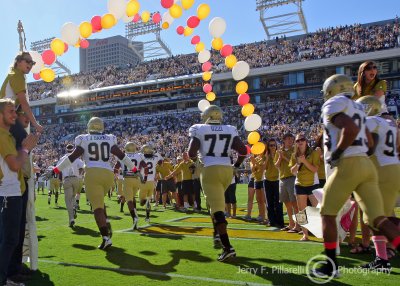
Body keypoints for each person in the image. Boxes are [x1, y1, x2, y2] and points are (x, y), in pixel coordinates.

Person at [312, 74, 400, 278]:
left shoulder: (333, 104)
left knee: (327, 213)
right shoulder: (359, 107)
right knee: (379, 219)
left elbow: (349, 129)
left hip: (349, 163)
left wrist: (337, 153)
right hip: (367, 165)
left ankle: (330, 266)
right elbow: (369, 142)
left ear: (330, 89)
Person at [54, 117, 136, 250]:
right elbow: (122, 156)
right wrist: (134, 168)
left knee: (96, 208)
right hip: (108, 174)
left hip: (92, 173)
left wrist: (57, 169)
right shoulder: (109, 138)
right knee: (100, 201)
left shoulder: (83, 138)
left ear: (89, 126)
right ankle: (106, 221)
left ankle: (105, 238)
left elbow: (72, 157)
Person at [188, 105, 247, 262]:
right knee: (215, 203)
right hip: (227, 169)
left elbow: (191, 153)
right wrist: (236, 166)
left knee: (217, 208)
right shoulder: (229, 128)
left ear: (206, 115)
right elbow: (243, 150)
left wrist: (197, 162)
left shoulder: (199, 129)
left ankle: (227, 247)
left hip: (209, 169)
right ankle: (216, 234)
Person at [357, 95, 400, 270]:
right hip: (392, 168)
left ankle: (382, 258)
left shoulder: (370, 122)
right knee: (379, 217)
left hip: (381, 171)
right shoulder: (388, 123)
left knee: (374, 217)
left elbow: (370, 146)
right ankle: (381, 259)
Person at [0, 98, 38, 286]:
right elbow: (14, 165)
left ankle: (8, 275)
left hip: (12, 191)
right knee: (8, 240)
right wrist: (25, 148)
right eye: (11, 112)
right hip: (6, 193)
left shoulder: (7, 135)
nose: (15, 115)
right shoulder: (2, 135)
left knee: (11, 239)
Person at [0, 52, 43, 133]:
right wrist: (36, 124)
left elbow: (20, 106)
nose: (30, 65)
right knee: (22, 140)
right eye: (27, 61)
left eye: (32, 63)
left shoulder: (14, 73)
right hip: (4, 117)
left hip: (5, 117)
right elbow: (24, 104)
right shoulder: (17, 75)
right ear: (18, 62)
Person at [289, 133, 319, 241]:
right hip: (299, 184)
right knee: (301, 212)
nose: (300, 142)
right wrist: (298, 163)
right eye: (297, 141)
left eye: (302, 140)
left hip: (313, 184)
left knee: (318, 210)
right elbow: (292, 172)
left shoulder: (313, 153)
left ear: (306, 141)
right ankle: (305, 235)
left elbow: (315, 169)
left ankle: (323, 231)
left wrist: (304, 161)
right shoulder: (294, 155)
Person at [114, 142, 148, 230]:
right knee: (132, 198)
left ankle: (134, 218)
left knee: (128, 200)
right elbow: (145, 166)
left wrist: (116, 175)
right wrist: (144, 177)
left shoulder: (123, 156)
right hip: (136, 179)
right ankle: (135, 214)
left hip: (127, 179)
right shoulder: (139, 155)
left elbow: (116, 168)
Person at [274, 133, 299, 232]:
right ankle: (291, 224)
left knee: (295, 204)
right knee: (287, 204)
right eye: (288, 139)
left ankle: (298, 225)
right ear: (283, 140)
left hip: (292, 178)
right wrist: (280, 157)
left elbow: (294, 164)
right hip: (282, 178)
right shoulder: (279, 151)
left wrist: (284, 157)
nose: (290, 141)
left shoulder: (295, 151)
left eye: (291, 139)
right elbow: (276, 165)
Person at [57, 144, 84, 228]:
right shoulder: (77, 158)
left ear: (66, 149)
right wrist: (79, 174)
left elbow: (58, 169)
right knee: (73, 196)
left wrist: (60, 180)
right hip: (76, 179)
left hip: (67, 179)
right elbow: (83, 167)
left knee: (68, 200)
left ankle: (71, 218)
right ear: (73, 150)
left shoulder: (62, 158)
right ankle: (75, 205)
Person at [138, 145, 161, 223]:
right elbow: (161, 160)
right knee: (148, 200)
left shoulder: (141, 156)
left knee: (141, 202)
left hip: (143, 182)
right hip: (151, 182)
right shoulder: (155, 157)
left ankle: (144, 202)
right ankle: (147, 217)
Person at [264, 138, 284, 228]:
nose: (273, 147)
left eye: (274, 145)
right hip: (267, 180)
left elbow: (279, 166)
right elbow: (264, 168)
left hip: (277, 180)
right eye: (271, 145)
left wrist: (277, 157)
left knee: (279, 202)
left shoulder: (279, 154)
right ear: (268, 146)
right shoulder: (265, 155)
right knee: (269, 202)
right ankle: (271, 221)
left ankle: (280, 221)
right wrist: (267, 158)